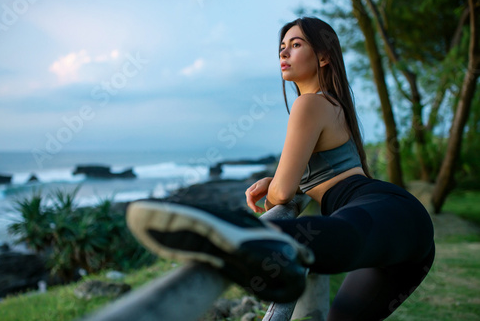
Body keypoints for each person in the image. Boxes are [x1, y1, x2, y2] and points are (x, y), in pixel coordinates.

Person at [126, 17, 435, 320]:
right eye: (282, 48)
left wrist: (276, 187)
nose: (284, 54)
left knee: (345, 234)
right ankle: (247, 239)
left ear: (324, 56)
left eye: (296, 45)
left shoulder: (309, 103)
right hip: (403, 231)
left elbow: (282, 193)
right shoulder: (334, 104)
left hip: (379, 213)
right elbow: (311, 178)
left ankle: (239, 232)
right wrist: (280, 181)